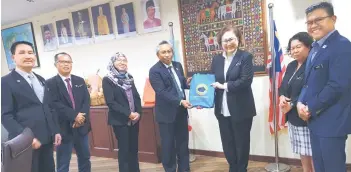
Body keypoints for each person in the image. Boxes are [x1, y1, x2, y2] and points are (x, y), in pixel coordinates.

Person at [297, 2, 351, 172]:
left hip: (332, 122)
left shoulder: (342, 45)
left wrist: (310, 107)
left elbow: (337, 85)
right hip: (314, 122)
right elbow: (307, 82)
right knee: (319, 167)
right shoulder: (314, 48)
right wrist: (300, 103)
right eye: (309, 22)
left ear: (333, 19)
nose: (313, 25)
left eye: (318, 20)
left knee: (333, 168)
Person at [1, 41, 62, 172]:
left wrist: (55, 130)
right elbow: (6, 116)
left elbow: (49, 107)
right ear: (13, 57)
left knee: (49, 169)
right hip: (25, 142)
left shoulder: (41, 79)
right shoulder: (6, 82)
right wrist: (27, 138)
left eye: (30, 52)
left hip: (46, 139)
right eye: (22, 53)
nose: (28, 56)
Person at [210, 25, 256, 172]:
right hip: (222, 109)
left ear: (238, 39)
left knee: (241, 143)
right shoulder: (216, 59)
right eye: (224, 40)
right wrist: (202, 97)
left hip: (241, 109)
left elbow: (246, 80)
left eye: (231, 39)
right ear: (220, 42)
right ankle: (232, 167)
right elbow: (212, 81)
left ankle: (242, 169)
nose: (228, 43)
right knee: (227, 142)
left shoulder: (245, 57)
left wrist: (224, 86)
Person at [149, 41, 192, 172]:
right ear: (158, 54)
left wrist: (188, 83)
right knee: (168, 145)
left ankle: (184, 169)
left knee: (183, 143)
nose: (167, 54)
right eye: (164, 52)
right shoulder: (154, 70)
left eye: (169, 51)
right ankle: (170, 169)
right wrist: (180, 101)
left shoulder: (178, 65)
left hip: (181, 112)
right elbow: (161, 92)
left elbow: (180, 84)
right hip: (166, 114)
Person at [46, 52, 91, 172]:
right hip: (63, 129)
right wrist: (74, 116)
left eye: (69, 62)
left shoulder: (79, 80)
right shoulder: (50, 83)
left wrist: (81, 118)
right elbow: (54, 104)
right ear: (56, 64)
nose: (66, 64)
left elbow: (86, 101)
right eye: (63, 62)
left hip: (81, 127)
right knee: (63, 163)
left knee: (85, 158)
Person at [279, 32, 314, 172]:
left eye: (298, 47)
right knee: (303, 152)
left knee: (313, 153)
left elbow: (309, 89)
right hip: (292, 117)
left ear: (308, 46)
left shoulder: (312, 64)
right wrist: (282, 96)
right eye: (292, 48)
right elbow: (284, 86)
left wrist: (292, 104)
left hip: (305, 116)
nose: (294, 50)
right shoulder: (292, 65)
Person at [102, 52, 142, 172]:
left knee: (134, 149)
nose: (122, 62)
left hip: (134, 120)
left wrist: (138, 113)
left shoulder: (129, 77)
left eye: (124, 60)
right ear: (113, 63)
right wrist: (128, 114)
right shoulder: (108, 79)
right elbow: (111, 102)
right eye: (118, 60)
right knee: (124, 150)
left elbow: (136, 97)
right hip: (120, 120)